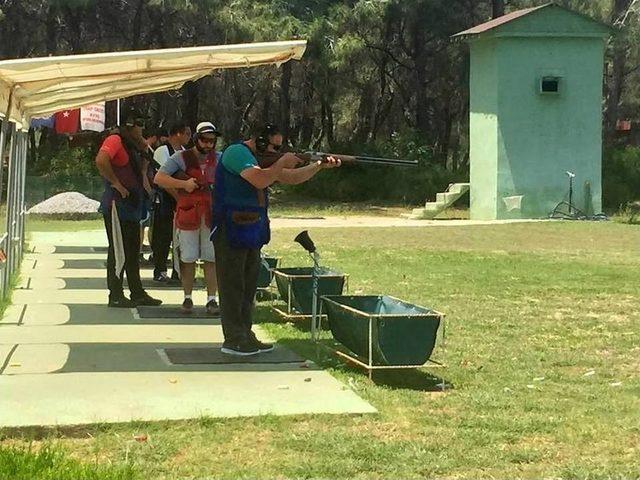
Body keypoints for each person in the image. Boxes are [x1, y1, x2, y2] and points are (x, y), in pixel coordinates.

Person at [212, 124, 340, 355]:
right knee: (233, 287)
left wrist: (317, 166)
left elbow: (291, 177)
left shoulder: (262, 160)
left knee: (248, 287)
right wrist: (282, 161)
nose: (277, 150)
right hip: (230, 229)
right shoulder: (237, 152)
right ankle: (233, 339)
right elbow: (260, 180)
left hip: (251, 230)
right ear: (260, 141)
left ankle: (245, 334)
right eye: (274, 146)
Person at [95, 108, 162, 308]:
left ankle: (137, 291)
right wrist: (116, 183)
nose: (143, 128)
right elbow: (101, 160)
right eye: (139, 124)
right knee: (118, 250)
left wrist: (142, 144)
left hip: (132, 204)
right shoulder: (115, 140)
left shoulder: (134, 144)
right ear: (130, 125)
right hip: (117, 204)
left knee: (133, 250)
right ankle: (115, 294)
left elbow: (147, 163)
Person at [154, 122, 220, 315]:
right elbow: (159, 178)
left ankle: (211, 299)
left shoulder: (220, 158)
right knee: (187, 258)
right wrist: (183, 184)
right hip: (188, 213)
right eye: (204, 140)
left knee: (211, 258)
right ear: (196, 139)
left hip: (210, 215)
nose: (208, 145)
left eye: (212, 141)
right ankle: (187, 297)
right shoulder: (180, 157)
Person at [150, 122, 191, 282]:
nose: (189, 137)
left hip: (181, 200)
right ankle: (160, 270)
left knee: (180, 237)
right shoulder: (163, 151)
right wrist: (177, 197)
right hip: (166, 200)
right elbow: (162, 179)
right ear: (178, 134)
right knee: (163, 236)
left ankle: (179, 271)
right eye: (187, 133)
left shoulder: (185, 153)